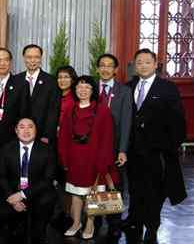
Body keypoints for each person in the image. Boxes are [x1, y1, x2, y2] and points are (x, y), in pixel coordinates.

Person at [124, 49, 186, 244]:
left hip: (157, 152)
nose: (142, 65)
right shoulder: (129, 86)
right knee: (134, 188)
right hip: (132, 151)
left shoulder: (167, 88)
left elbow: (178, 121)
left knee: (154, 191)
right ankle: (134, 221)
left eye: (146, 62)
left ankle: (151, 227)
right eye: (138, 62)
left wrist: (170, 146)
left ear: (155, 64)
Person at [58, 75, 115, 240]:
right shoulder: (70, 109)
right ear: (75, 90)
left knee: (94, 194)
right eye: (79, 87)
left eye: (86, 87)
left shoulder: (103, 110)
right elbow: (63, 136)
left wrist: (103, 162)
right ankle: (76, 223)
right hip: (75, 158)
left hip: (96, 158)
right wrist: (64, 158)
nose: (82, 90)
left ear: (92, 90)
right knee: (76, 193)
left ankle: (90, 223)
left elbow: (107, 137)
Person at [0, 118, 57, 243]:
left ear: (36, 130)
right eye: (22, 127)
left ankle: (39, 235)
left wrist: (22, 195)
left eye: (30, 127)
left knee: (48, 199)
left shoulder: (47, 150)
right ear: (16, 131)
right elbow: (1, 177)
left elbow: (47, 180)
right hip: (12, 192)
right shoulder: (6, 149)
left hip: (36, 193)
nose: (26, 130)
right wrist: (13, 199)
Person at [96, 53, 133, 239]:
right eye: (102, 65)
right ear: (97, 68)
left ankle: (113, 223)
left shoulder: (124, 91)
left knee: (114, 184)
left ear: (116, 70)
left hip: (114, 146)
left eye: (109, 66)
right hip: (93, 147)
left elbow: (127, 122)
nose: (105, 68)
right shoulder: (90, 88)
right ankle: (95, 220)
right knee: (95, 183)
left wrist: (123, 150)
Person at [0, 48, 28, 158]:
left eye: (6, 60)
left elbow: (24, 112)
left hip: (12, 139)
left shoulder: (21, 84)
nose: (2, 63)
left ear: (10, 62)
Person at [14, 44, 60, 145]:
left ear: (41, 59)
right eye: (29, 57)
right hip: (18, 136)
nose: (33, 60)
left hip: (42, 135)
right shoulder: (16, 80)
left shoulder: (51, 81)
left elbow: (53, 111)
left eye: (36, 57)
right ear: (24, 58)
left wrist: (47, 135)